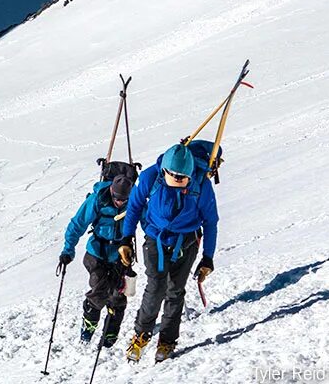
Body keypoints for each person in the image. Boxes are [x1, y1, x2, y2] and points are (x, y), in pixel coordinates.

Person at [120, 143, 218, 363]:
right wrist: (126, 239)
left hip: (186, 243)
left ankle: (167, 340)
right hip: (155, 239)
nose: (177, 180)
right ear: (163, 170)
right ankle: (141, 334)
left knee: (175, 291)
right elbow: (134, 206)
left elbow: (211, 222)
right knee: (155, 288)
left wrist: (208, 257)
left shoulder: (201, 185)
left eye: (182, 178)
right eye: (172, 175)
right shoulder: (149, 177)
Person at [58, 174, 134, 346]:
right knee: (99, 290)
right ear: (111, 192)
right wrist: (67, 250)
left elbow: (148, 220)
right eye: (117, 198)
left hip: (121, 256)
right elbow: (77, 224)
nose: (120, 203)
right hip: (96, 254)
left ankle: (110, 334)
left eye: (124, 200)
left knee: (118, 296)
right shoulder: (97, 199)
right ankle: (88, 327)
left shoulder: (134, 201)